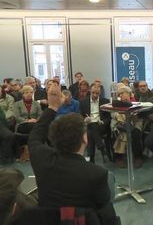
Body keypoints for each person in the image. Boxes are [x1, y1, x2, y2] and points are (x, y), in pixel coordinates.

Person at [27, 83, 118, 222]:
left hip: (48, 220)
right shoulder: (97, 174)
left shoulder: (41, 158)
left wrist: (52, 107)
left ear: (53, 138)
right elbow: (107, 215)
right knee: (110, 179)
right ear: (84, 138)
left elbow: (35, 136)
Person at [80, 84, 111, 163]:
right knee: (91, 129)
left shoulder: (105, 101)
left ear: (100, 93)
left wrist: (103, 121)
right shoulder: (83, 102)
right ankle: (102, 151)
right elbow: (80, 115)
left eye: (97, 93)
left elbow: (108, 117)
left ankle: (91, 158)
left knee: (91, 129)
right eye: (93, 92)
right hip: (89, 124)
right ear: (90, 91)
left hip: (101, 125)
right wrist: (85, 119)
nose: (95, 95)